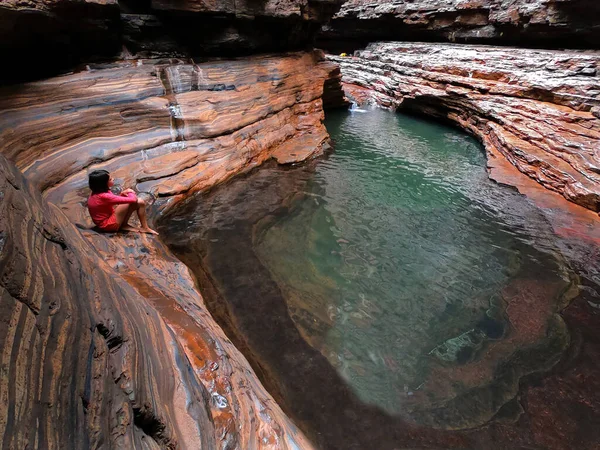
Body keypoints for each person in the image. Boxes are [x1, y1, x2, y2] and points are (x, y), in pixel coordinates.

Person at [87, 169, 158, 235]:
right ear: (103, 183)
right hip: (107, 225)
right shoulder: (103, 196)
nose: (113, 179)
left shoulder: (97, 191)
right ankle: (131, 226)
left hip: (108, 219)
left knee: (140, 202)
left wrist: (122, 194)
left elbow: (113, 200)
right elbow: (133, 200)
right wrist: (130, 191)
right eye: (110, 179)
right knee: (138, 201)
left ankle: (143, 227)